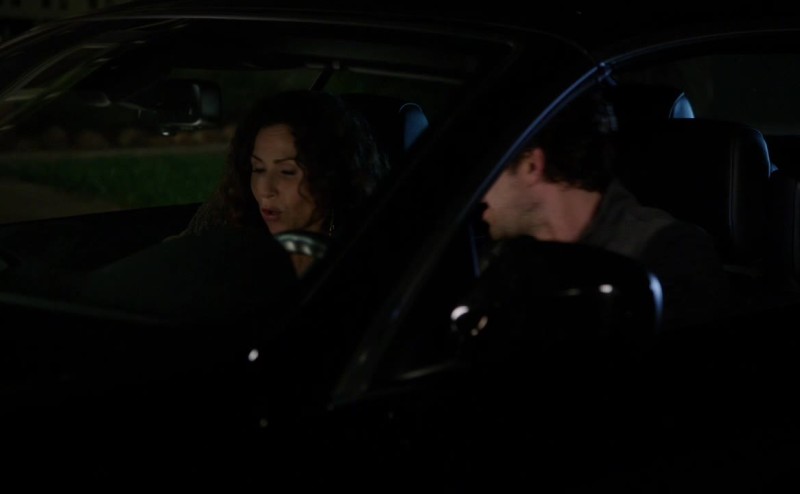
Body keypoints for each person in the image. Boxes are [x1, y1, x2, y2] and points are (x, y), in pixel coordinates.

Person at [480, 89, 731, 330]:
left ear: (531, 166)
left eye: (490, 172)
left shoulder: (667, 254)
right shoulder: (506, 260)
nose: (480, 193)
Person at [172, 89, 389, 276]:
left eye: (287, 172)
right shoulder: (230, 216)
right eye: (258, 169)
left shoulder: (365, 247)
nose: (265, 190)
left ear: (332, 174)